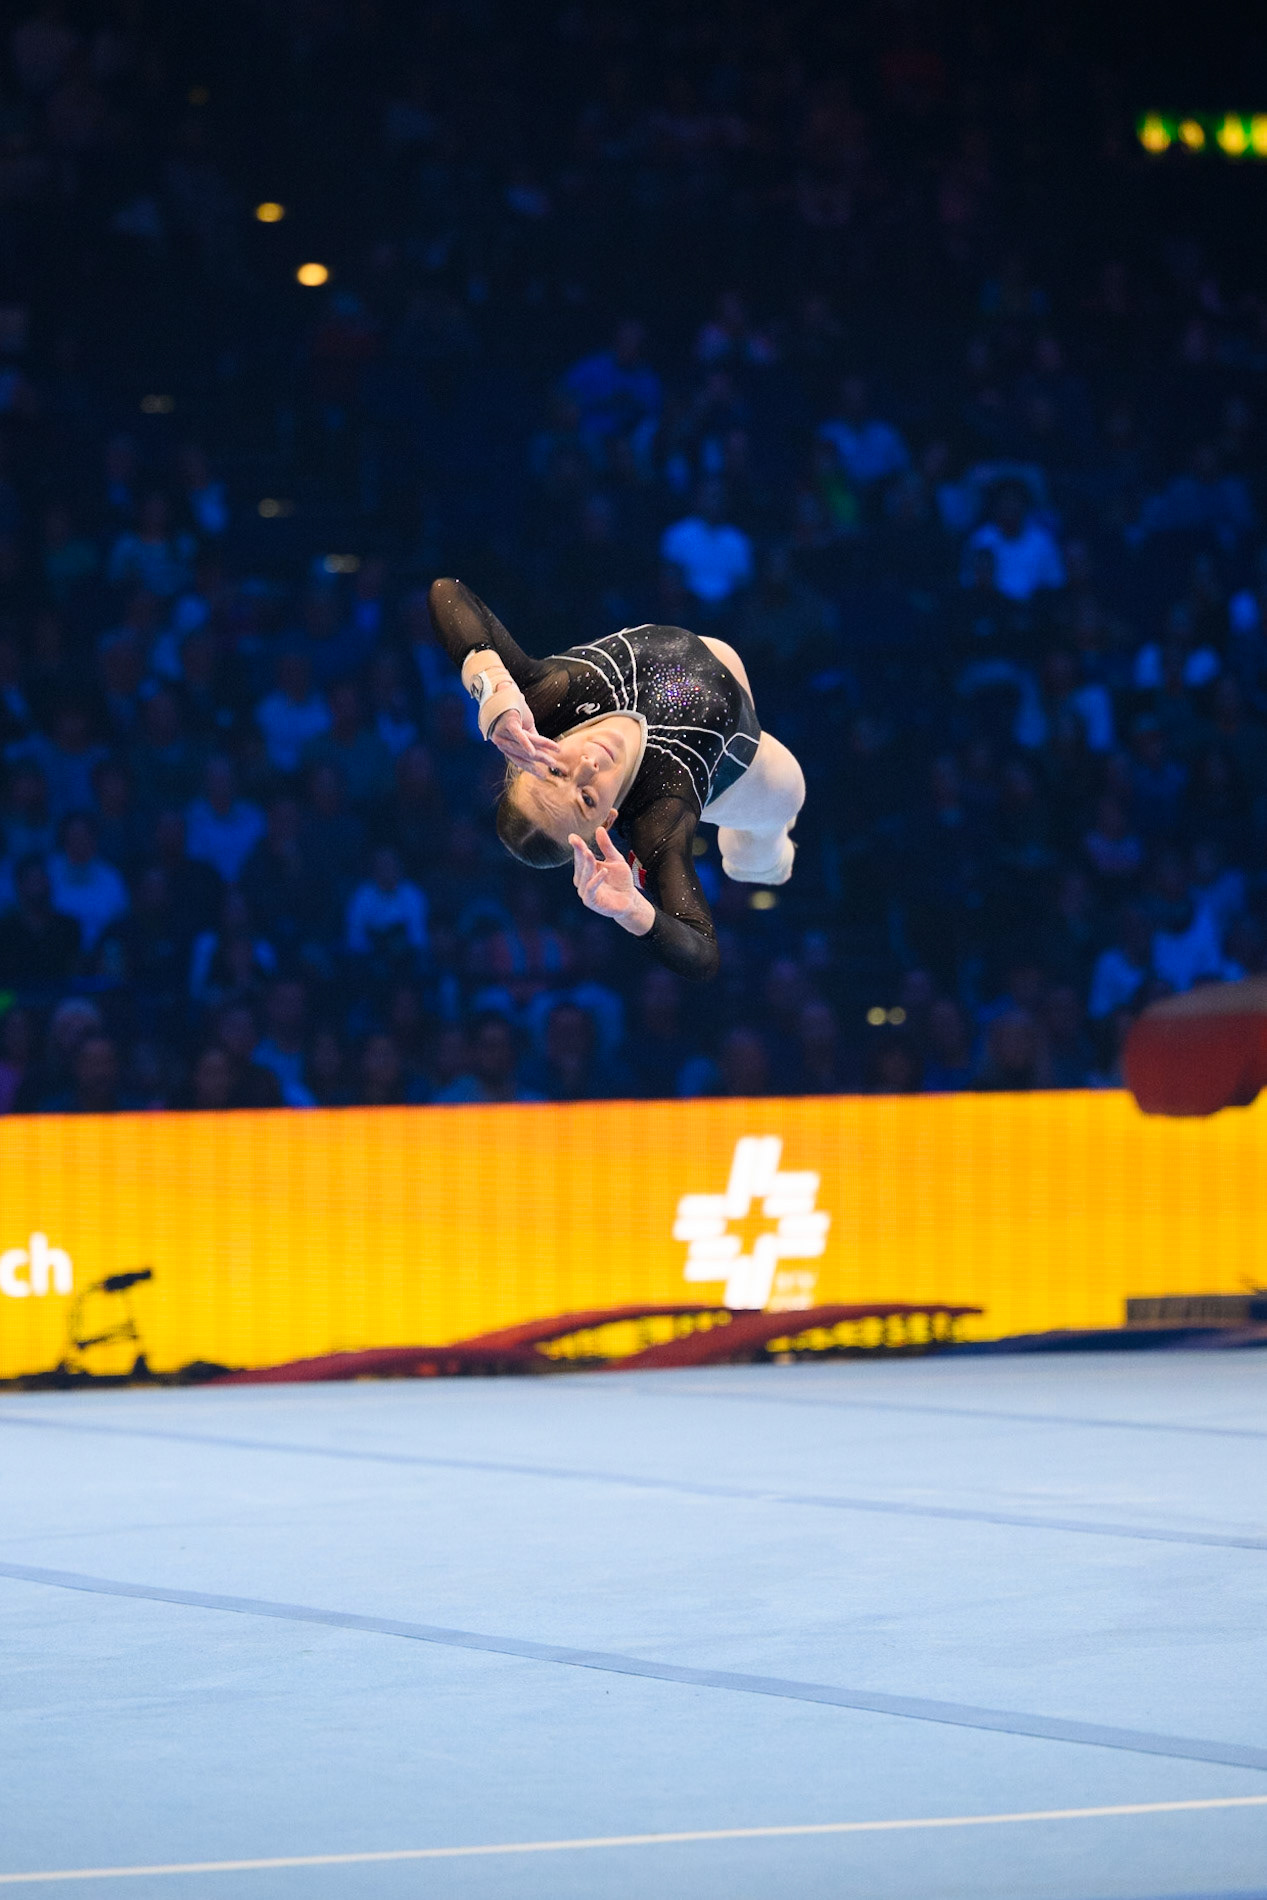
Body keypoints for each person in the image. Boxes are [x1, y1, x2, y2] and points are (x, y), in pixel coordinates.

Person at [427, 578, 804, 981]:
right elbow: (703, 955)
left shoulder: (544, 702)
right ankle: (762, 859)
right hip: (750, 768)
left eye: (555, 770)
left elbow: (446, 591)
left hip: (716, 662)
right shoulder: (657, 815)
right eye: (587, 799)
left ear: (527, 750)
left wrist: (494, 689)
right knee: (767, 831)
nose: (587, 767)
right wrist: (634, 910)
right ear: (607, 820)